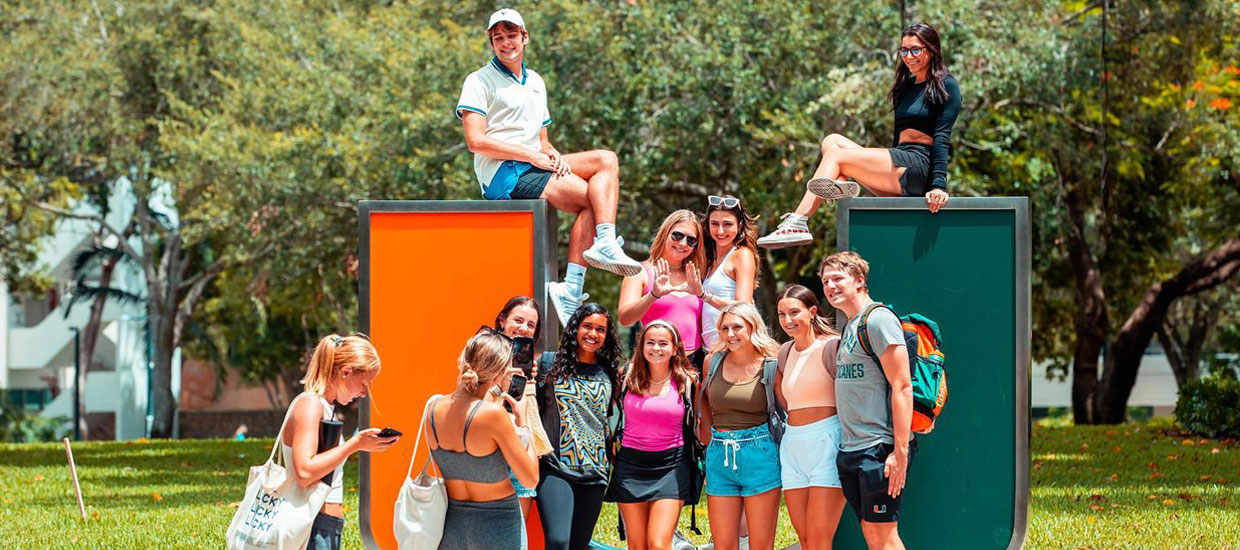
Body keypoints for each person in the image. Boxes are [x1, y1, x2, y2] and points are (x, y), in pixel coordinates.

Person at [456, 8, 641, 323]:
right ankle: (577, 279)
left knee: (606, 161)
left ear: (525, 37)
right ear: (491, 43)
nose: (505, 42)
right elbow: (476, 141)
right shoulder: (479, 80)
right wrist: (531, 156)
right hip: (503, 176)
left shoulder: (536, 82)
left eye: (511, 35)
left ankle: (598, 251)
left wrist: (551, 153)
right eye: (497, 37)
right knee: (593, 199)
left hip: (534, 164)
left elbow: (541, 139)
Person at [758, 22, 961, 249]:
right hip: (900, 160)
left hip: (919, 167)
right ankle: (840, 185)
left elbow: (942, 138)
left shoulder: (946, 86)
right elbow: (897, 140)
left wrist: (938, 186)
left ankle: (798, 222)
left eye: (915, 49)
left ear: (931, 50)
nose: (908, 56)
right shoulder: (904, 87)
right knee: (832, 141)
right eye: (903, 50)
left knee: (836, 156)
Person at [820, 252, 913, 550]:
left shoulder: (878, 320)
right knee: (873, 535)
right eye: (825, 281)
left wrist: (899, 453)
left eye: (838, 278)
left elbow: (902, 386)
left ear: (859, 281)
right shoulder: (851, 325)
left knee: (883, 537)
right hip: (852, 450)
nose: (830, 286)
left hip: (879, 449)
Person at [282, 334, 398, 549]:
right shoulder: (310, 405)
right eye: (364, 383)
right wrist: (354, 444)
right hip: (313, 526)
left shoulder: (324, 407)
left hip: (324, 526)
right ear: (346, 372)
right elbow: (305, 472)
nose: (364, 393)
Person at [427, 329, 540, 550]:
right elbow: (530, 479)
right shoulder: (492, 415)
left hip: (453, 526)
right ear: (499, 372)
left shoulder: (432, 408)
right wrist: (523, 422)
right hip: (498, 527)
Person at [533, 303, 624, 550]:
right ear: (574, 328)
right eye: (587, 326)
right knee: (558, 541)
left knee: (579, 544)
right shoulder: (549, 364)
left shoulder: (609, 371)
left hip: (595, 470)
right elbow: (534, 409)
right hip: (555, 466)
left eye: (600, 329)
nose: (593, 334)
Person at [605, 321, 701, 550]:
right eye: (650, 342)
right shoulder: (626, 376)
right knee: (637, 545)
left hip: (672, 467)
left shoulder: (688, 381)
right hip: (630, 466)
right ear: (641, 346)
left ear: (675, 348)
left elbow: (701, 423)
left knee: (658, 544)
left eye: (663, 343)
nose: (656, 348)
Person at [696, 303, 784, 550]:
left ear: (752, 327)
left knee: (761, 545)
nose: (730, 334)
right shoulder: (712, 362)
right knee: (723, 545)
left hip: (760, 454)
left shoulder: (771, 364)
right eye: (725, 328)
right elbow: (702, 397)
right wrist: (709, 439)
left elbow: (785, 407)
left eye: (737, 327)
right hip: (719, 454)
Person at [773, 285, 846, 550]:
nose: (787, 320)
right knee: (804, 540)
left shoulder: (833, 346)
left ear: (812, 311)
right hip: (793, 446)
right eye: (782, 314)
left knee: (818, 540)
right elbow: (784, 399)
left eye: (794, 312)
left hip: (827, 444)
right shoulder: (784, 352)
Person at [619, 209, 726, 372]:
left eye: (691, 240)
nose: (683, 244)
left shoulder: (697, 276)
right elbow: (625, 318)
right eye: (677, 235)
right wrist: (653, 295)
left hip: (694, 364)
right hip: (655, 363)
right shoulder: (640, 272)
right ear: (665, 233)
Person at [493, 296, 545, 517]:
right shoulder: (481, 350)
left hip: (520, 447)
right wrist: (501, 378)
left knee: (517, 534)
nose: (523, 328)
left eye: (530, 325)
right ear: (503, 320)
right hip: (489, 451)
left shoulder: (531, 361)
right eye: (518, 320)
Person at [700, 195, 760, 350]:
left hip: (732, 346)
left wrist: (704, 295)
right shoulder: (709, 260)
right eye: (714, 224)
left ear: (739, 225)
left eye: (727, 224)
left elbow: (744, 307)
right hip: (710, 349)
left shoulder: (742, 255)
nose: (720, 231)